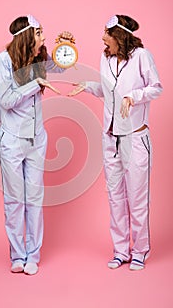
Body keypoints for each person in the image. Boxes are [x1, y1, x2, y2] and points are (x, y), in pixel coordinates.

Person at [68, 14, 163, 270]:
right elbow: (109, 90)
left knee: (137, 197)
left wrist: (133, 96)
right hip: (110, 138)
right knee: (115, 197)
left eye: (106, 33)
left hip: (135, 137)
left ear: (119, 35)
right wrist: (88, 86)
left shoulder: (142, 56)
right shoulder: (105, 58)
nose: (102, 38)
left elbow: (156, 87)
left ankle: (140, 250)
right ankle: (121, 250)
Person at [0, 14, 69, 275]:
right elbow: (6, 99)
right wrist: (35, 84)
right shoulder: (3, 61)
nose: (43, 37)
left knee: (34, 199)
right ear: (27, 36)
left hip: (37, 139)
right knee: (14, 200)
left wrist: (65, 47)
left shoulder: (37, 60)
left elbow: (64, 64)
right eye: (40, 33)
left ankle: (33, 255)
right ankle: (17, 255)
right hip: (12, 140)